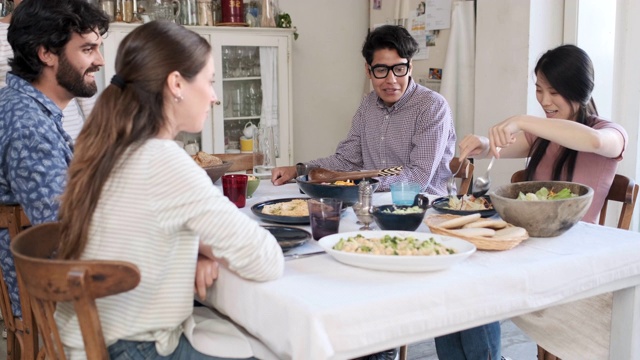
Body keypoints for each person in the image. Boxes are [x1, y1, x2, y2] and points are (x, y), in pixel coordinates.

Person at [56, 20, 284, 359]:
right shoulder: (163, 160)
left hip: (89, 343)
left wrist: (196, 249)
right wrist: (206, 247)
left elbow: (143, 235)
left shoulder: (108, 148)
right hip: (135, 349)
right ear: (176, 83)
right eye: (209, 82)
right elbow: (265, 260)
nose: (214, 97)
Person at [454, 44, 627, 359]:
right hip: (532, 247)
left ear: (580, 90)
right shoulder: (543, 134)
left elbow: (593, 142)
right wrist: (479, 143)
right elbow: (502, 148)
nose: (545, 101)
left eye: (554, 92)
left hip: (573, 259)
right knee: (458, 284)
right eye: (538, 90)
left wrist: (522, 119)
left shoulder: (610, 132)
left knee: (471, 291)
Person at [0, 0, 109, 321]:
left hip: (56, 292)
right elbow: (63, 238)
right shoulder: (29, 126)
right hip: (58, 305)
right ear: (46, 53)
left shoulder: (21, 105)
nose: (100, 61)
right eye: (88, 49)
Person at [271, 25, 456, 194]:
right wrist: (298, 170)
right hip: (371, 204)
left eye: (399, 68)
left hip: (423, 210)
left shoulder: (432, 107)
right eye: (381, 70)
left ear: (410, 67)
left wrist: (364, 181)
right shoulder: (368, 105)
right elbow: (346, 160)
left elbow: (418, 178)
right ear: (368, 70)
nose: (391, 80)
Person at [0, 0, 96, 141]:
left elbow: (83, 84)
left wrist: (99, 133)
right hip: (24, 138)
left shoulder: (61, 25)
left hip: (73, 137)